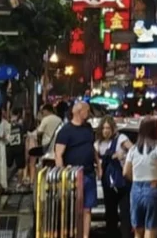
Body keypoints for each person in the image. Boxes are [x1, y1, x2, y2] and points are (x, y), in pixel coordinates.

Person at [122, 117, 157, 238]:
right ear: (155, 130)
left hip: (135, 190)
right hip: (153, 189)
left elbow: (125, 172)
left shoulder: (133, 149)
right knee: (151, 228)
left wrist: (136, 179)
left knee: (138, 230)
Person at [55, 102, 99, 238]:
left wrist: (99, 164)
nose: (88, 113)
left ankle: (85, 235)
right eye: (87, 110)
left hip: (89, 173)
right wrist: (62, 174)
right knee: (73, 210)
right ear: (79, 112)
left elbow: (92, 148)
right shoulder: (65, 131)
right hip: (73, 175)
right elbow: (58, 154)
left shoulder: (88, 128)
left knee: (87, 209)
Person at [96, 117, 132, 238]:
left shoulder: (121, 139)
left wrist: (123, 155)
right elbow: (95, 159)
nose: (106, 131)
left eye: (108, 128)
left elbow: (133, 150)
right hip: (107, 184)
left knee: (125, 212)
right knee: (110, 213)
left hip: (122, 182)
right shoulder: (98, 144)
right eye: (104, 128)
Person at [27, 104, 62, 183]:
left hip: (47, 147)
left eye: (43, 112)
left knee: (45, 168)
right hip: (57, 146)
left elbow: (39, 132)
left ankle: (46, 184)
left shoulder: (46, 119)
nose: (42, 114)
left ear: (46, 111)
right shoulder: (59, 119)